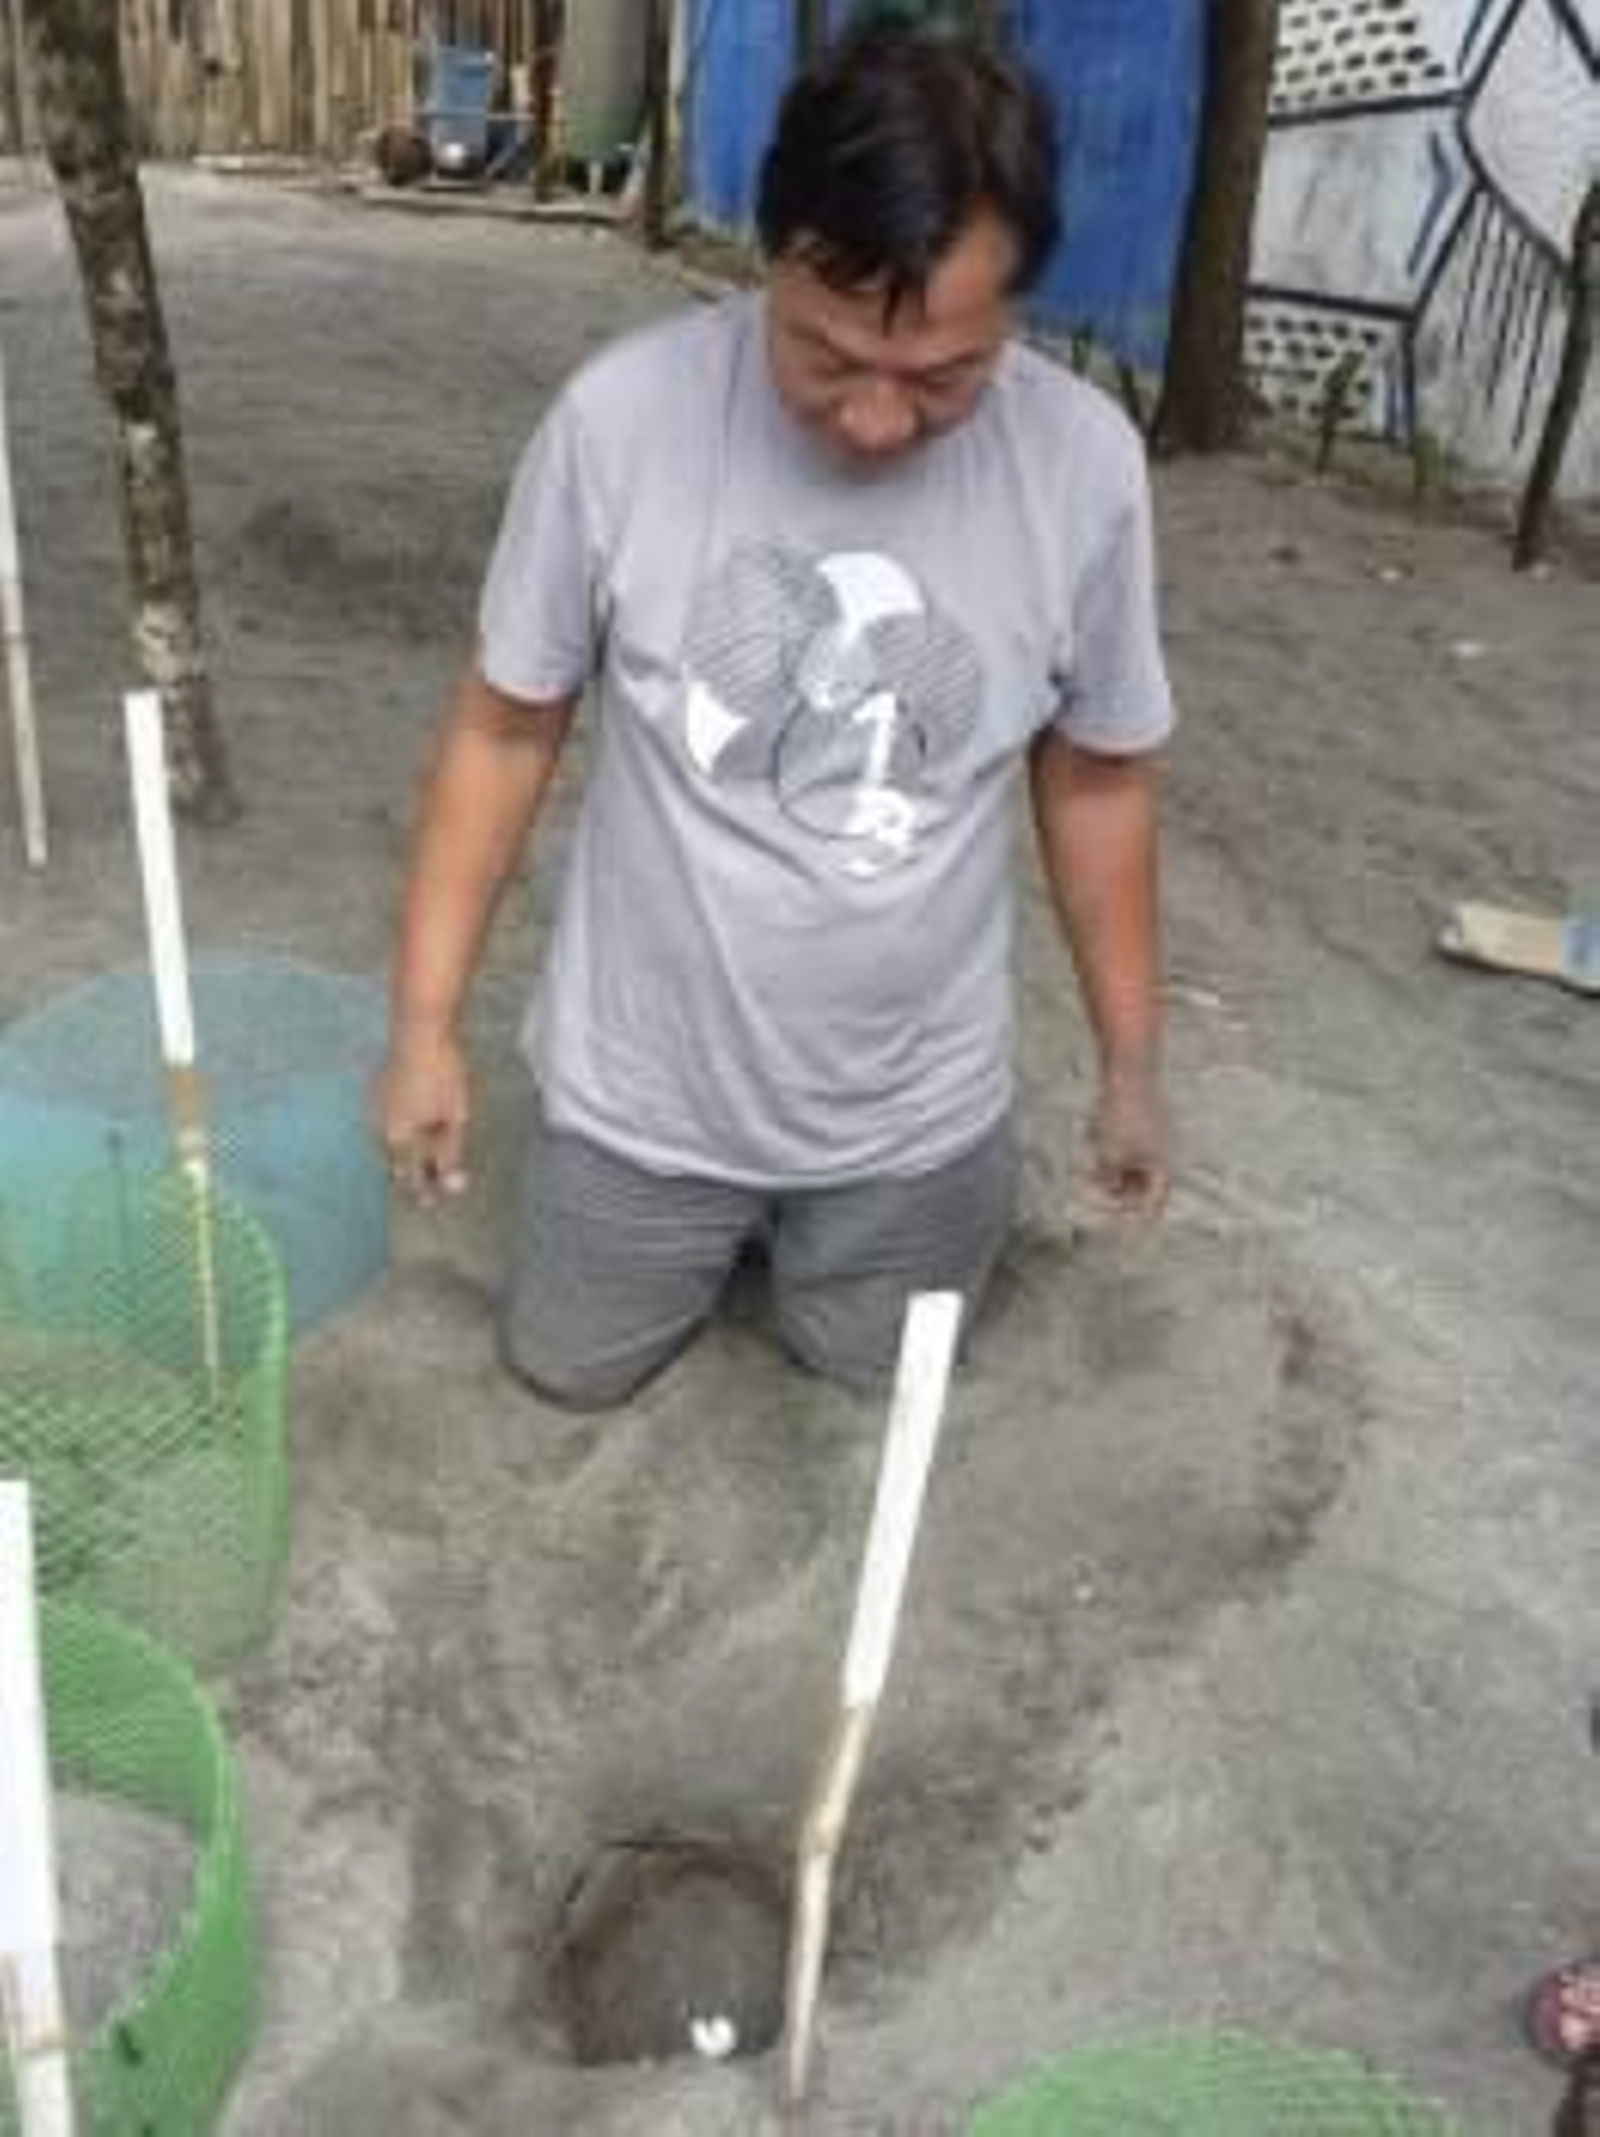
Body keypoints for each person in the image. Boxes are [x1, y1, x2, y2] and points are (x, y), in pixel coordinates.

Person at [376, 22, 1176, 1408]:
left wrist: (1131, 1062)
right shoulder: (617, 424)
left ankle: (835, 1239)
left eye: (941, 378)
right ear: (772, 251)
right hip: (645, 1095)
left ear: (1019, 309)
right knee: (564, 1371)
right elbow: (507, 728)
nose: (875, 423)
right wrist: (426, 1022)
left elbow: (1098, 777)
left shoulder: (1086, 468)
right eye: (826, 356)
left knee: (875, 1378)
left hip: (916, 1113)